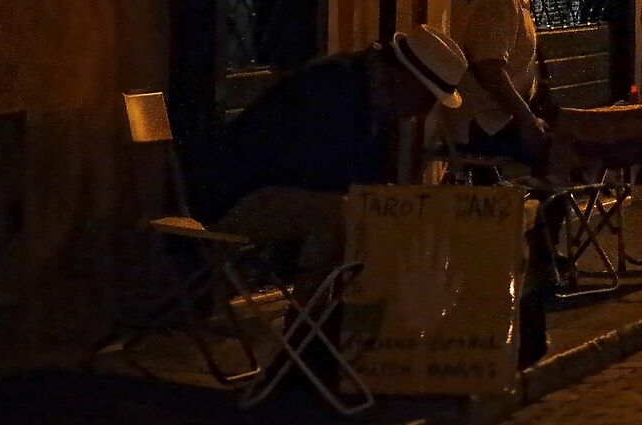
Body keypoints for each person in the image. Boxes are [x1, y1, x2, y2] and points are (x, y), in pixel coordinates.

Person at [191, 28, 468, 280]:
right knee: (341, 217)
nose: (423, 112)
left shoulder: (374, 97)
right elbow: (319, 172)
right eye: (425, 98)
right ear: (403, 78)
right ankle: (314, 316)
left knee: (370, 215)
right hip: (237, 195)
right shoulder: (334, 87)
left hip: (277, 190)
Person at [457, 0, 558, 167]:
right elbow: (490, 69)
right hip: (491, 123)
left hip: (504, 117)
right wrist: (526, 120)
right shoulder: (500, 0)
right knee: (567, 150)